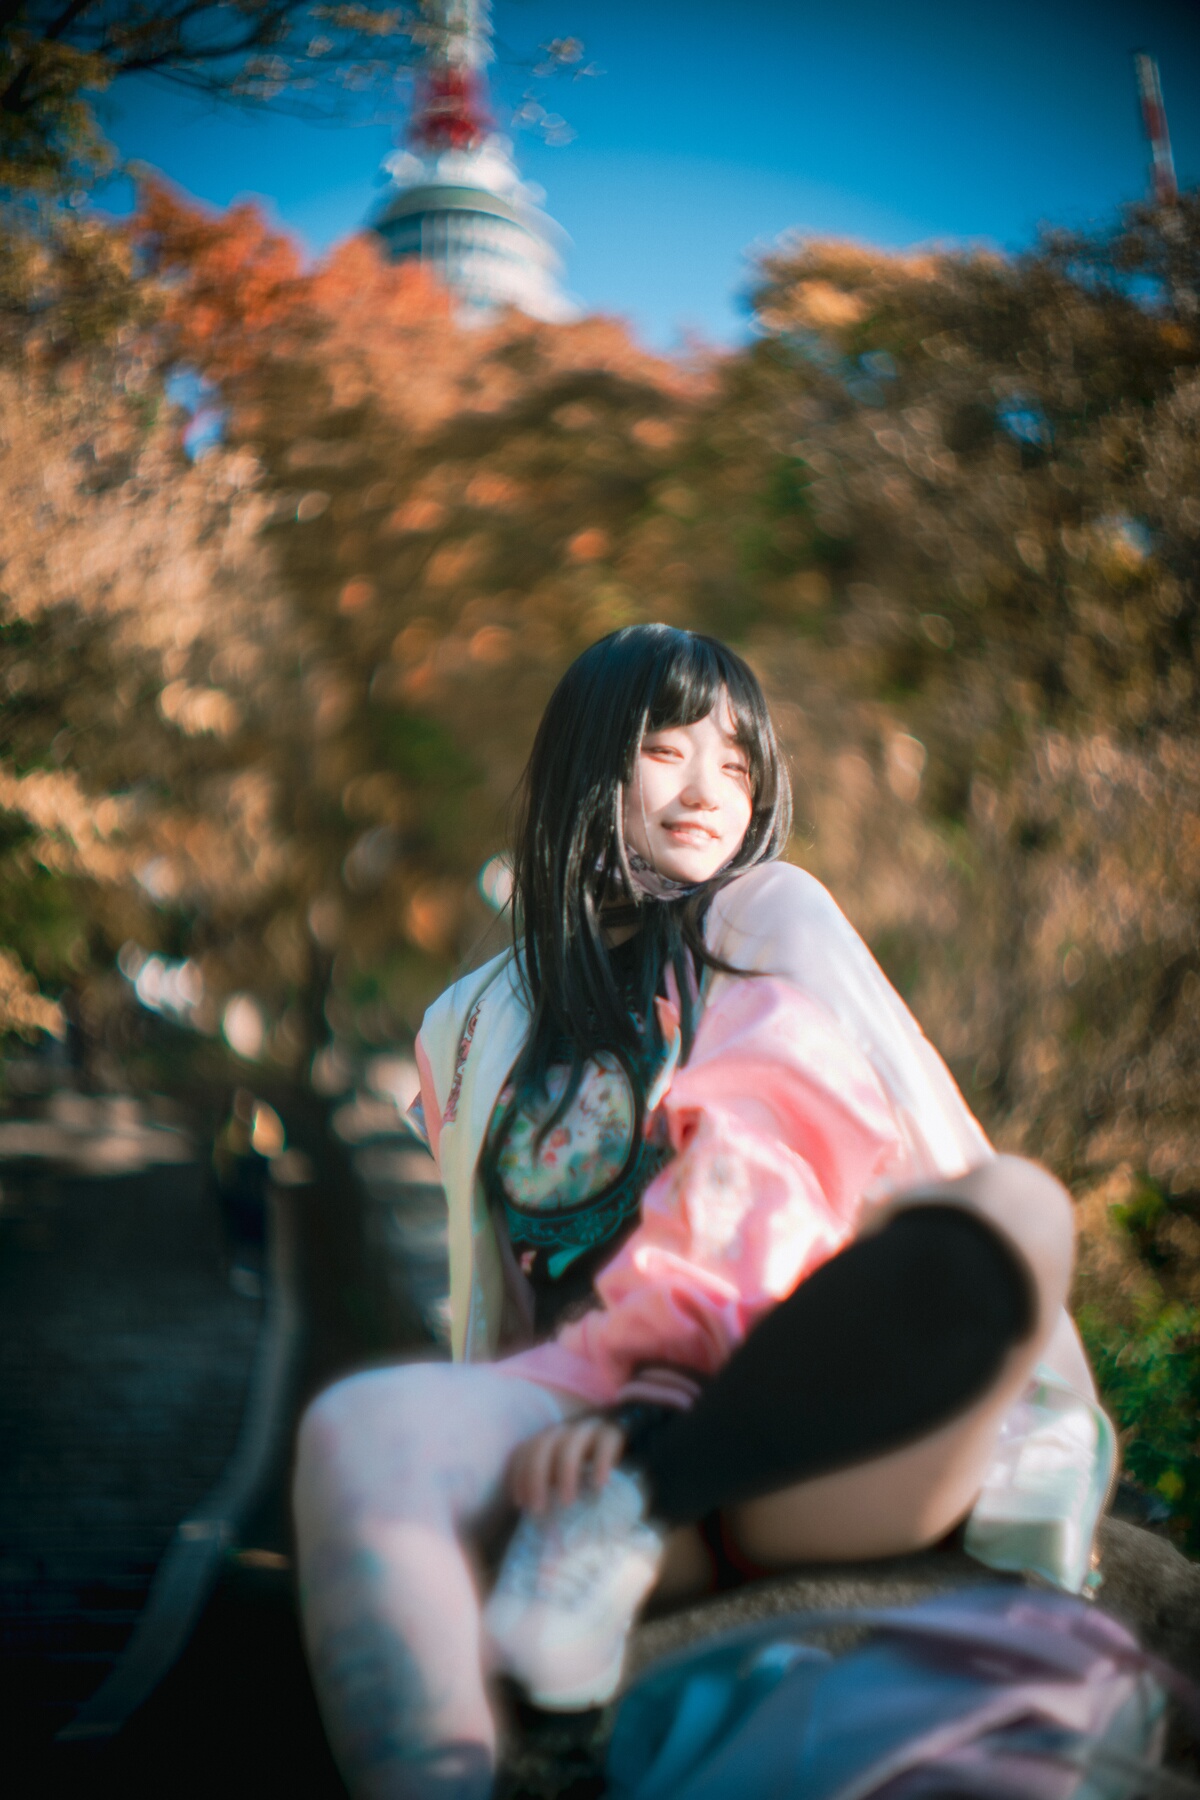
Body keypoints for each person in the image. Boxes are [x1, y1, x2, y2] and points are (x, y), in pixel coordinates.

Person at [293, 625, 1098, 1800]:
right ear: (587, 769)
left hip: (794, 1437)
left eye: (737, 764)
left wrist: (659, 1413)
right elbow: (501, 1284)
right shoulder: (475, 1019)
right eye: (666, 751)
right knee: (356, 1427)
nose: (708, 790)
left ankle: (648, 1481)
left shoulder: (757, 929)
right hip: (580, 1434)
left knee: (1017, 1208)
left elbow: (761, 1184)